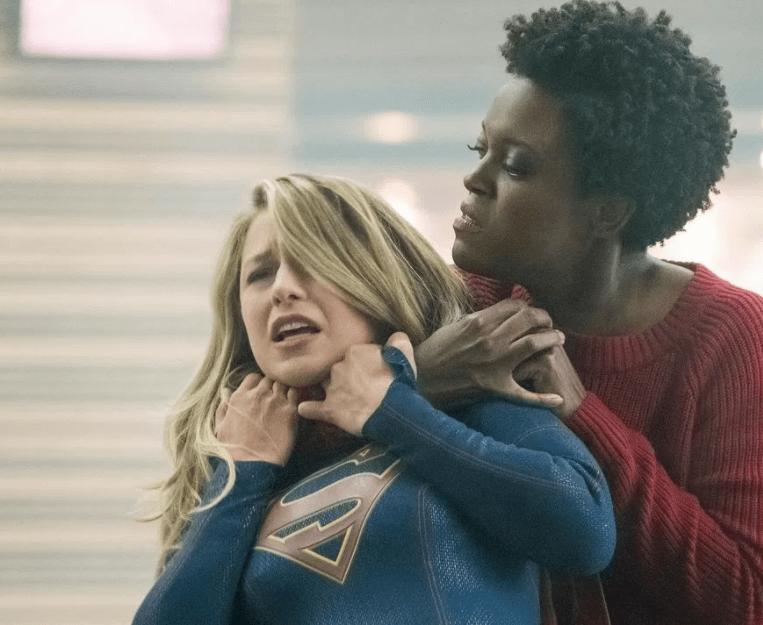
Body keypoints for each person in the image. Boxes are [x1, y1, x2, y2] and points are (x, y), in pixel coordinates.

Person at [132, 173, 615, 624]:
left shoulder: (469, 397)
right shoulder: (233, 463)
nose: (282, 289)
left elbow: (585, 530)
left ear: (374, 277)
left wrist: (393, 411)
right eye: (260, 274)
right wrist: (242, 473)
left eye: (312, 261)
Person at [413, 2, 763, 624]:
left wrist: (580, 414)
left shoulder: (733, 336)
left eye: (515, 165)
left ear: (608, 212)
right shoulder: (455, 304)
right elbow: (283, 443)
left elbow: (745, 597)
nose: (474, 179)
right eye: (480, 147)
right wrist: (419, 382)